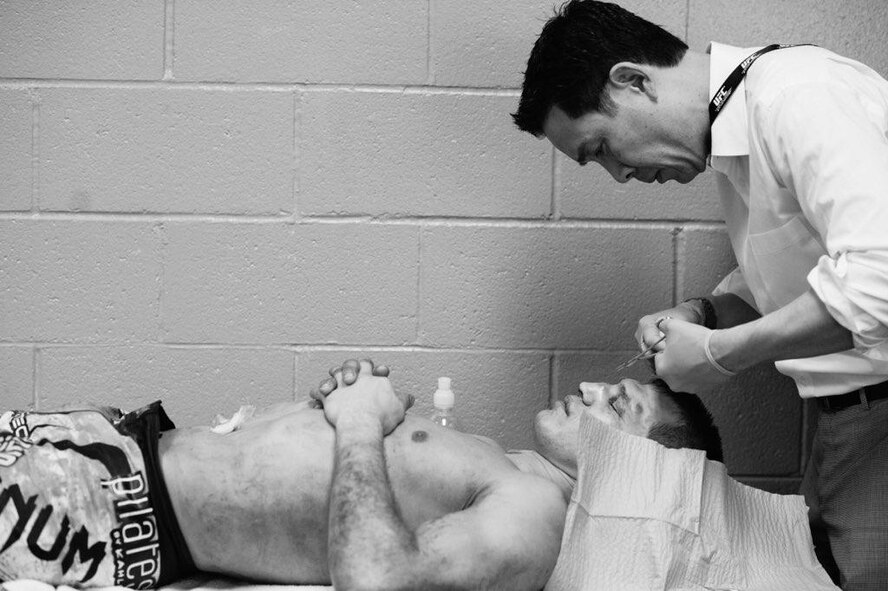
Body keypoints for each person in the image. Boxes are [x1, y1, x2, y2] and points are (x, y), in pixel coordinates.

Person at [512, 2, 888, 589]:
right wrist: (701, 314)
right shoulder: (743, 143)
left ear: (632, 81)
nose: (619, 175)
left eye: (601, 148)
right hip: (843, 420)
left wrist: (721, 353)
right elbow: (797, 281)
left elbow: (878, 282)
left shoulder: (799, 98)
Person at [0, 358, 722, 590]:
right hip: (115, 447)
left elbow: (381, 580)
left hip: (115, 507)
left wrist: (355, 420)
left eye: (617, 404)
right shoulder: (510, 466)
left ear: (643, 469)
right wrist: (337, 406)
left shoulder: (539, 512)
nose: (592, 388)